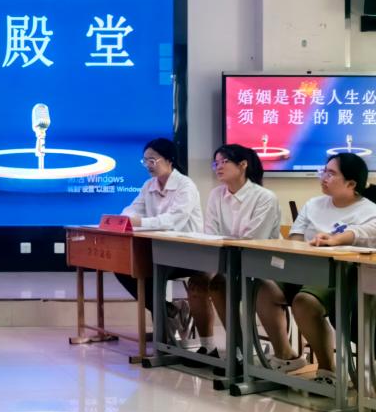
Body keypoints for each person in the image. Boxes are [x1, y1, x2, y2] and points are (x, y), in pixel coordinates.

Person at [256, 153, 376, 385]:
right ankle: (285, 356)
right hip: (302, 267)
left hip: (341, 276)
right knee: (265, 288)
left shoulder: (369, 210)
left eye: (331, 173)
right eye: (324, 171)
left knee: (305, 302)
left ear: (351, 184)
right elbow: (295, 238)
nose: (323, 177)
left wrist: (335, 239)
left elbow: (363, 233)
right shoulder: (313, 204)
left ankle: (327, 369)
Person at [186, 144, 280, 362]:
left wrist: (224, 244)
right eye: (216, 163)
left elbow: (253, 239)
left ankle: (242, 349)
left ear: (243, 165)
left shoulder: (265, 197)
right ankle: (208, 347)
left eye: (224, 162)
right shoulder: (216, 195)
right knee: (197, 282)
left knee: (220, 284)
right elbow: (210, 234)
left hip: (260, 262)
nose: (218, 167)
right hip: (227, 260)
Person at [117, 137, 203, 343]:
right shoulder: (149, 185)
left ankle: (165, 323)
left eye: (152, 160)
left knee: (151, 269)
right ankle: (168, 311)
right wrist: (126, 218)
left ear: (169, 160)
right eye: (145, 160)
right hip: (160, 251)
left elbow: (173, 221)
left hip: (189, 252)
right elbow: (132, 209)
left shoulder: (185, 185)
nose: (148, 165)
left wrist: (140, 222)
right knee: (124, 268)